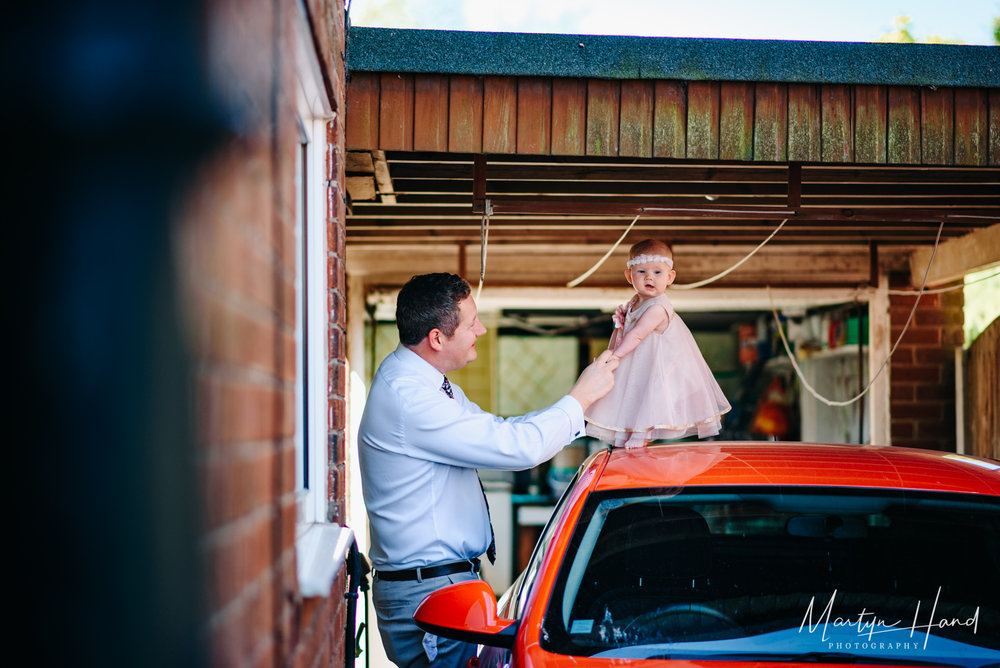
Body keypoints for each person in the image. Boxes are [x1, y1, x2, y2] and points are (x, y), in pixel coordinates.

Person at [358, 272, 618, 668]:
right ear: (437, 338)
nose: (480, 329)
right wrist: (579, 397)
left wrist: (578, 410)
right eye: (471, 323)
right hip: (428, 590)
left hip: (437, 583)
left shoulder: (430, 385)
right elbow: (517, 446)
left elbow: (499, 431)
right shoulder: (410, 397)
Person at [585, 239, 731, 448]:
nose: (649, 278)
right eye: (641, 272)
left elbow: (636, 335)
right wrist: (618, 331)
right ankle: (627, 433)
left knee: (649, 396)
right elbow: (625, 330)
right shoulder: (635, 301)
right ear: (629, 276)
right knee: (631, 395)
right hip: (639, 361)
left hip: (660, 365)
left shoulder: (657, 307)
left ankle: (640, 434)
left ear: (670, 277)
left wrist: (615, 356)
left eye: (657, 272)